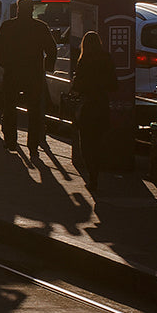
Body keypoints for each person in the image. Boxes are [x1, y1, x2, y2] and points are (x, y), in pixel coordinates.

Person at [0, 0, 57, 152]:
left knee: (9, 108)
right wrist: (47, 67)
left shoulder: (8, 26)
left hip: (12, 72)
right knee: (34, 110)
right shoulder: (40, 27)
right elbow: (51, 49)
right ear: (33, 10)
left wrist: (4, 63)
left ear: (17, 8)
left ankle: (10, 142)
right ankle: (33, 145)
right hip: (33, 73)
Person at [71, 30, 116, 193]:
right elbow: (114, 84)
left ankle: (93, 177)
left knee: (86, 144)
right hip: (102, 105)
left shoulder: (84, 60)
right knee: (97, 142)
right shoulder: (107, 59)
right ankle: (97, 172)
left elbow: (78, 86)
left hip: (87, 106)